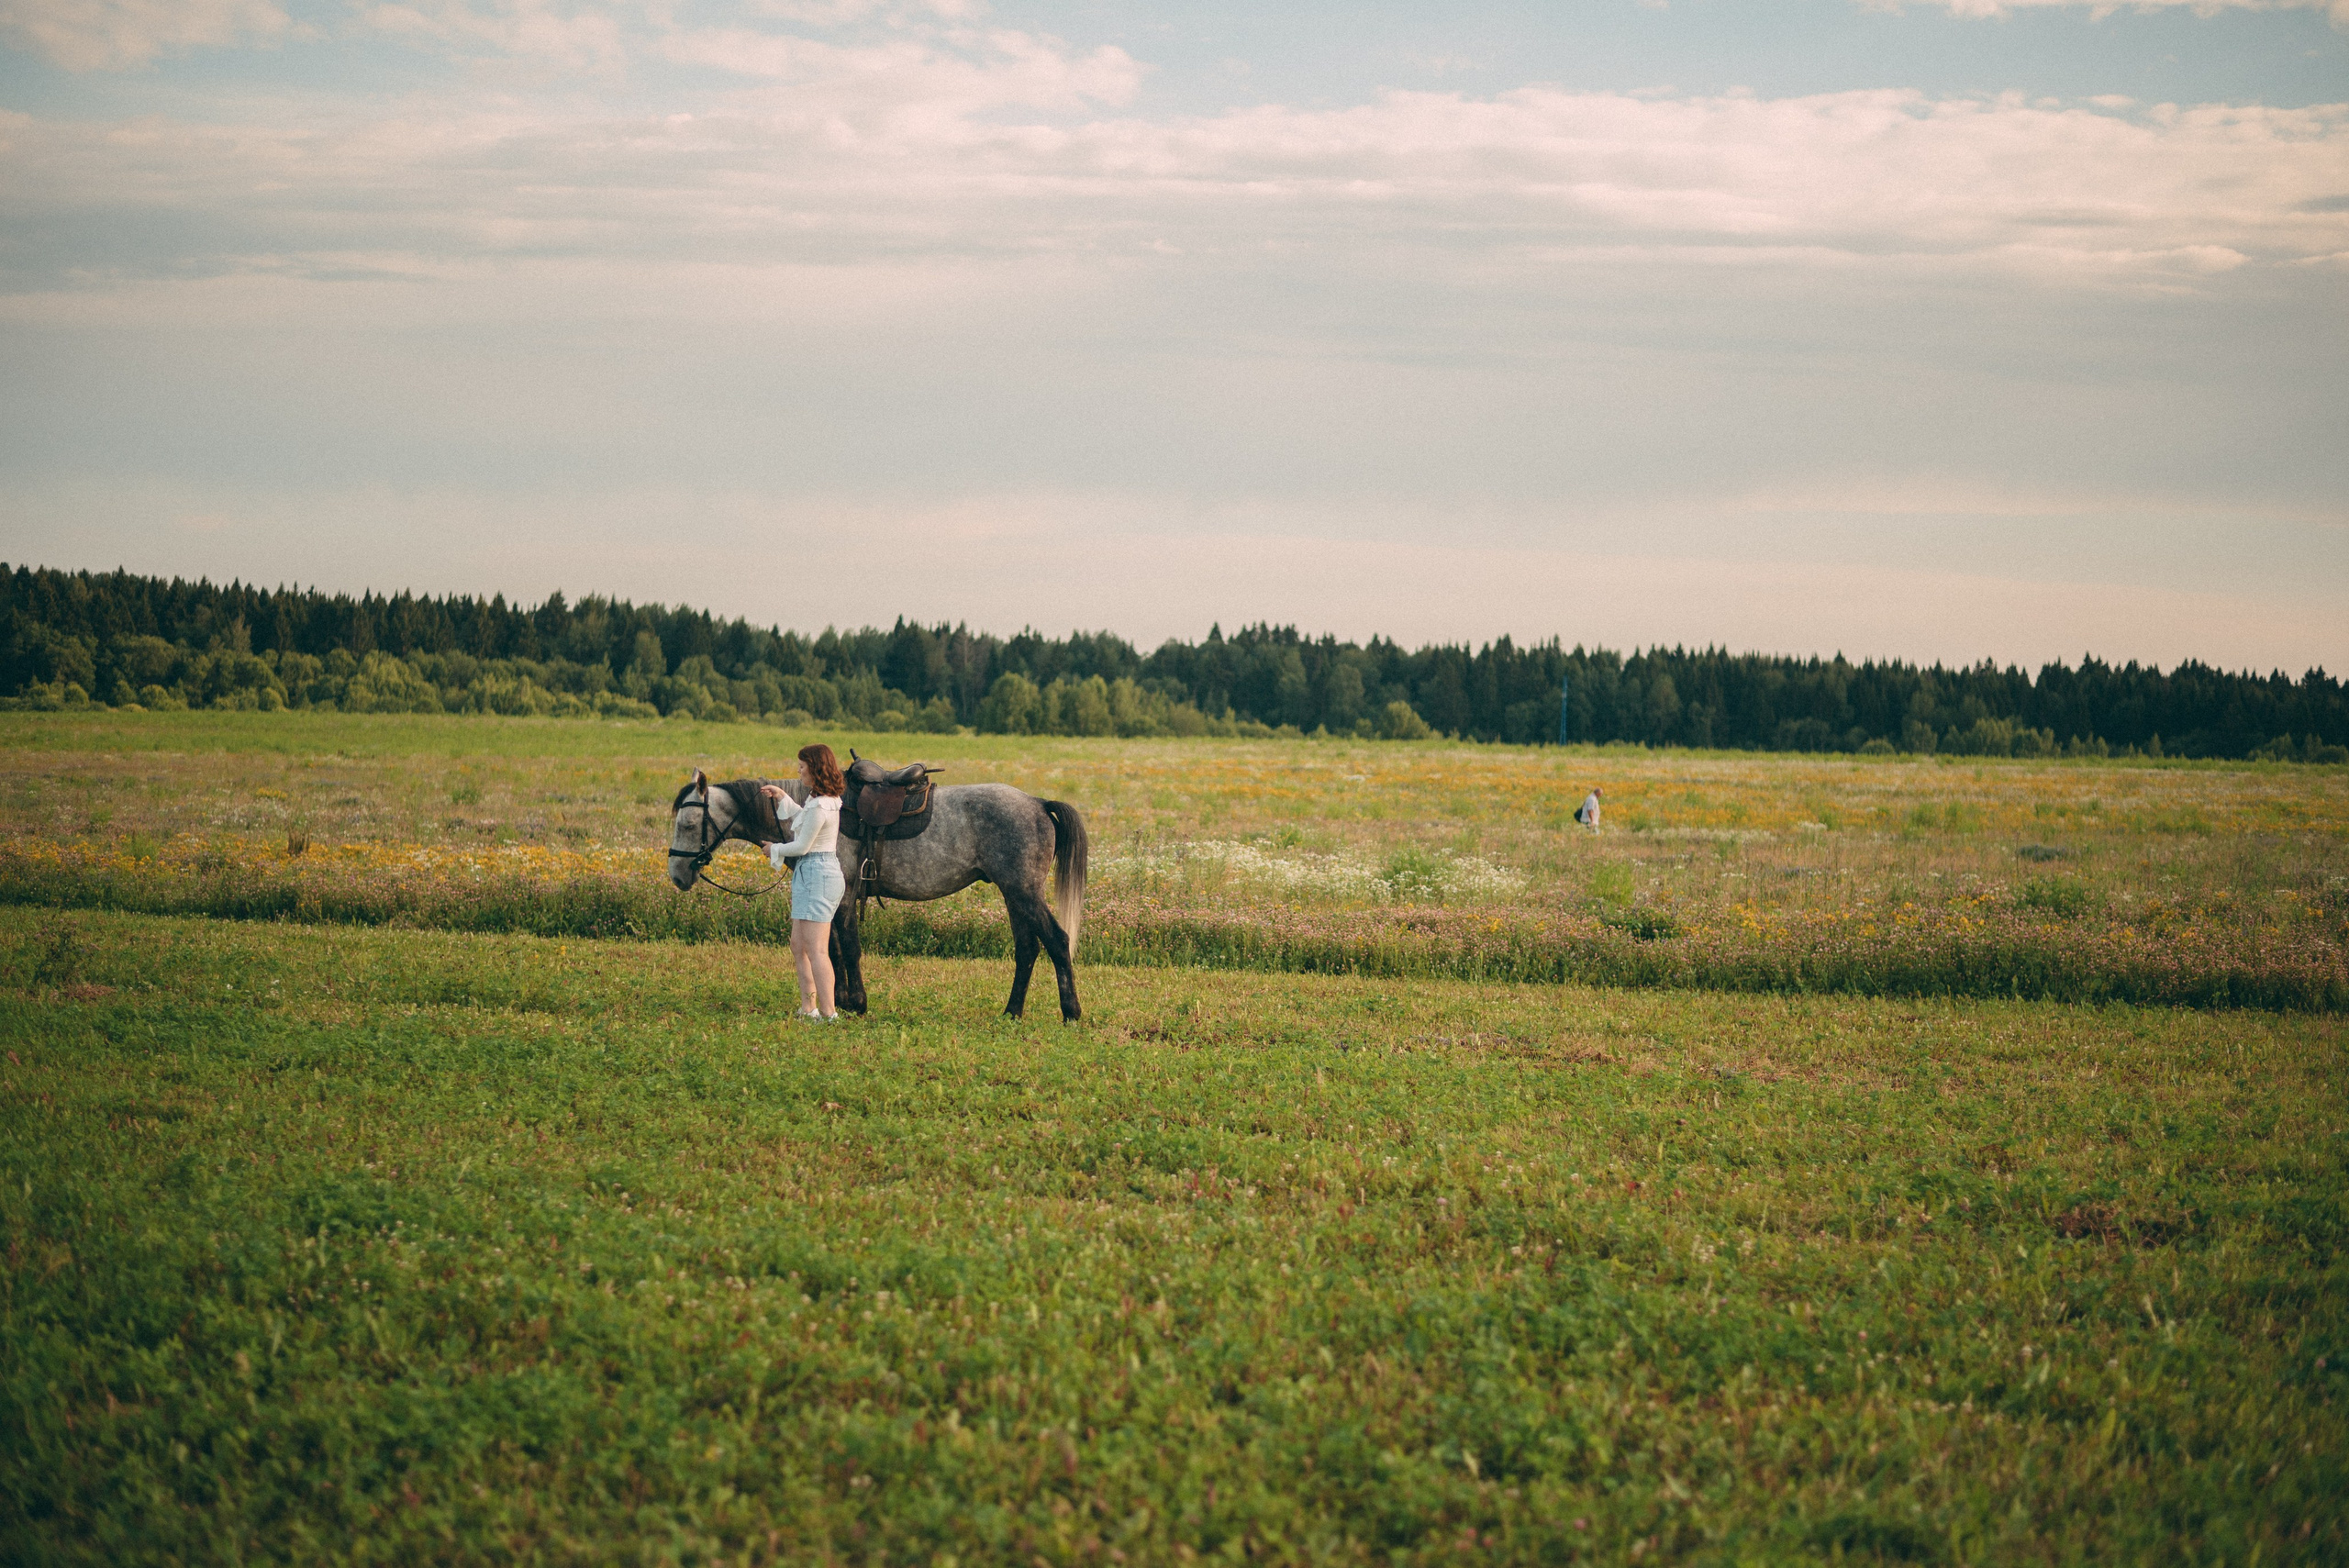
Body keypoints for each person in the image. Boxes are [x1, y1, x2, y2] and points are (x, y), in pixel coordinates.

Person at [761, 743, 848, 1022]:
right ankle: (807, 1008)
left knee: (817, 950)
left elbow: (803, 845)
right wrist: (783, 796)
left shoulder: (823, 804)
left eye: (802, 766)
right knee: (799, 945)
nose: (798, 771)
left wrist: (774, 849)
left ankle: (828, 1013)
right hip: (811, 874)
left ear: (815, 769)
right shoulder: (819, 801)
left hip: (818, 875)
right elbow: (805, 818)